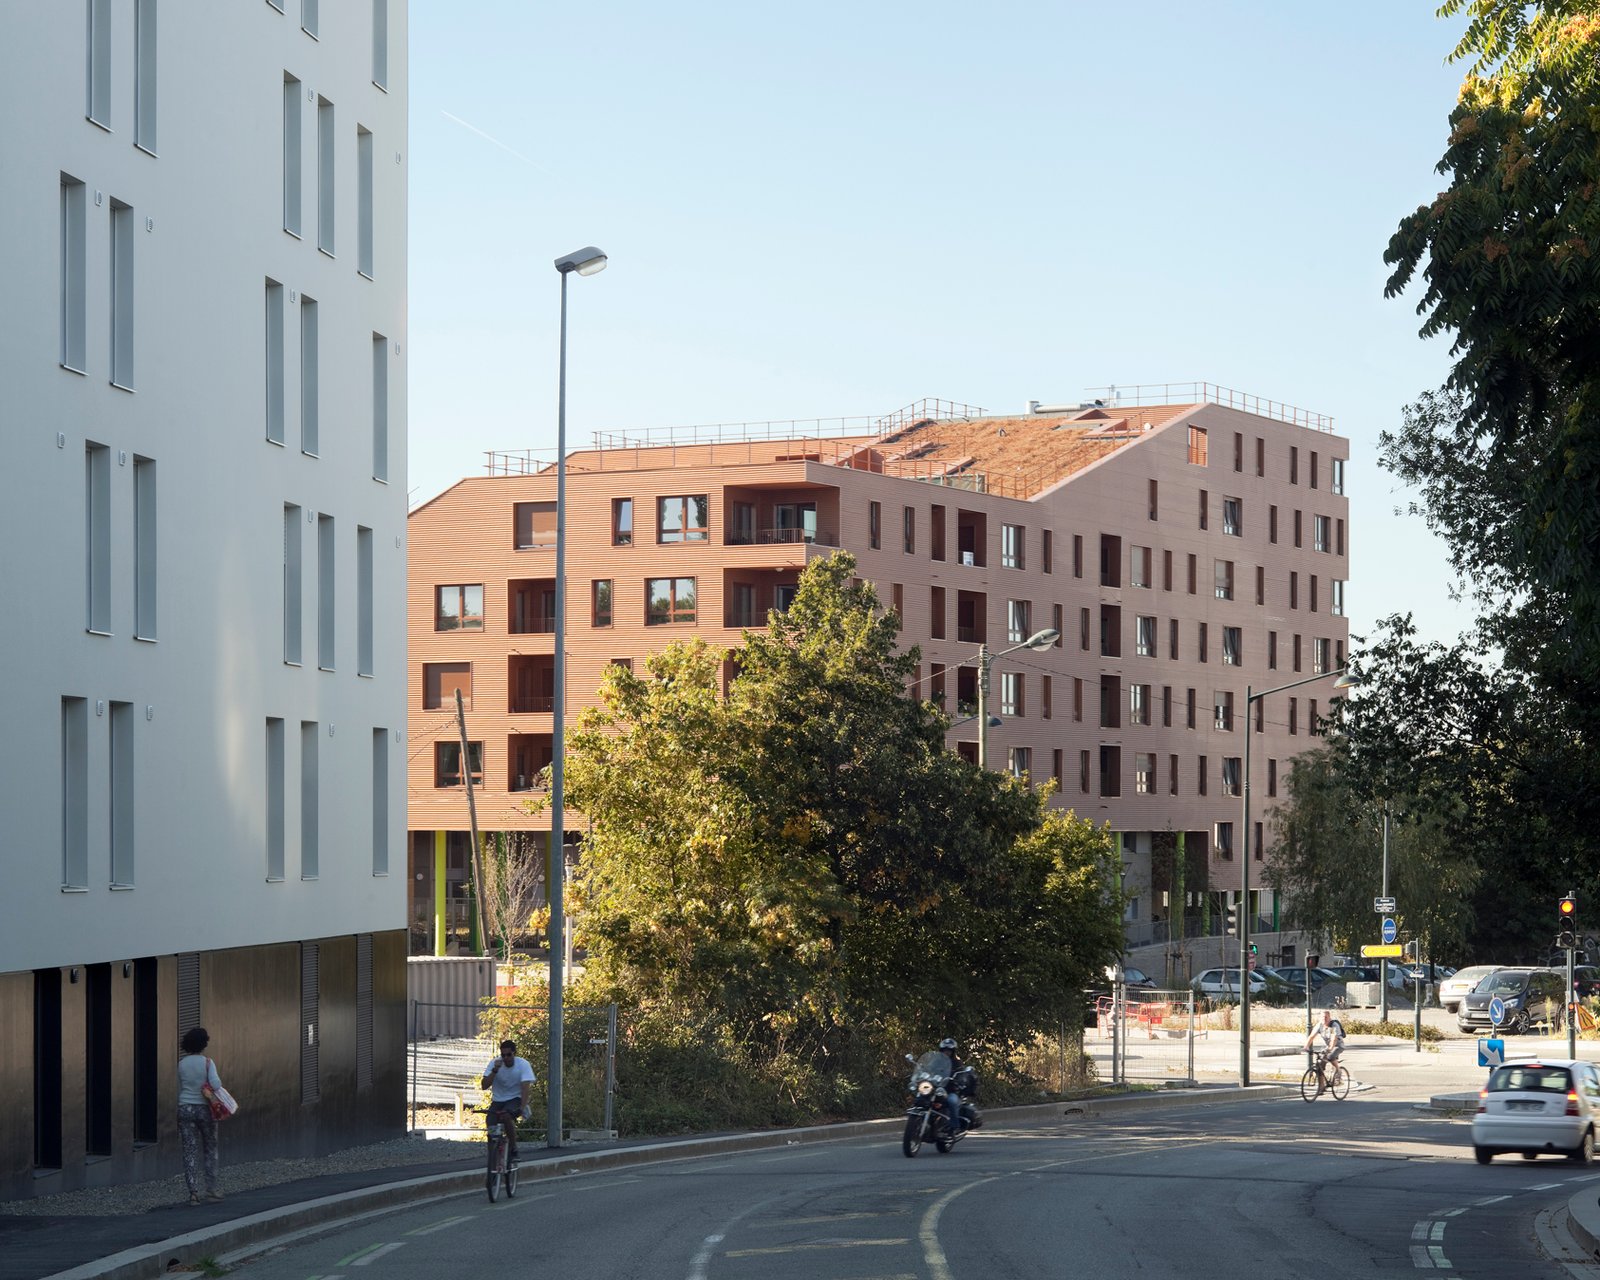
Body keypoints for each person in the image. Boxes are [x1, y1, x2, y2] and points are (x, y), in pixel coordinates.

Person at [177, 1027, 225, 1204]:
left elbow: (181, 1086)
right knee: (210, 1148)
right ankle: (211, 1190)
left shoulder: (182, 1064)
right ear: (203, 1044)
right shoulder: (207, 1063)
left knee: (189, 1150)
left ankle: (193, 1194)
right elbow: (216, 1084)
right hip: (205, 1109)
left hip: (185, 1108)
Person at [480, 1039, 536, 1166]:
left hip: (515, 1098)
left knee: (506, 1116)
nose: (506, 1058)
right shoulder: (495, 1063)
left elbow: (525, 1088)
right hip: (498, 1100)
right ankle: (492, 1156)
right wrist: (495, 1070)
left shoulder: (523, 1065)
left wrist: (522, 1107)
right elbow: (484, 1086)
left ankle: (513, 1148)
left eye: (508, 1055)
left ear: (514, 1053)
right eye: (503, 1055)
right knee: (490, 1121)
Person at [1304, 1009, 1346, 1088]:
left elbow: (1334, 1038)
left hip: (1338, 1046)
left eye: (1326, 1017)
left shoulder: (1334, 1025)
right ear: (1320, 1018)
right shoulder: (1319, 1025)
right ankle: (1321, 1087)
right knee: (1320, 1065)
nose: (1324, 1019)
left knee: (1330, 1056)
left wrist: (1330, 1049)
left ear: (1329, 1018)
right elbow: (1311, 1036)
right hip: (1328, 1046)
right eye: (1323, 1017)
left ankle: (1339, 1071)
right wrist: (1306, 1047)